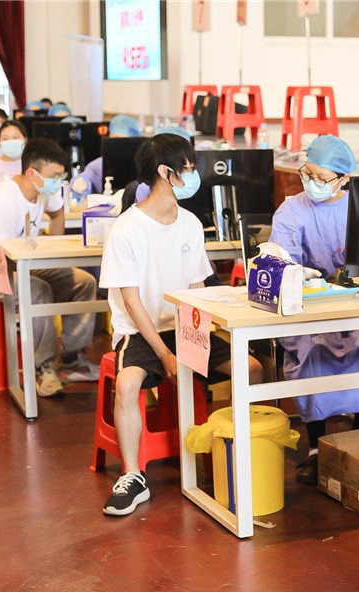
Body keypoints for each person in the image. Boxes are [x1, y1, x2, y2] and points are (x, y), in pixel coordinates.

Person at [98, 133, 264, 516]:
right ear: (165, 173)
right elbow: (131, 301)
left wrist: (198, 337)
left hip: (185, 323)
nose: (194, 176)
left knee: (252, 368)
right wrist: (166, 355)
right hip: (142, 331)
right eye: (188, 168)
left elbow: (196, 288)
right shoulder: (126, 229)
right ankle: (132, 475)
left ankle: (235, 449)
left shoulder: (189, 223)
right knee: (127, 384)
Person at [269, 134, 359, 485]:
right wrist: (304, 276)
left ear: (344, 179)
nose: (311, 182)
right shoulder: (291, 211)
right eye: (308, 173)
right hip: (311, 309)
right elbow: (282, 261)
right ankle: (317, 445)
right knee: (313, 353)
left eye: (321, 177)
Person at [0, 138, 100, 396]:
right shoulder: (3, 199)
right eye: (54, 176)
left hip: (24, 262)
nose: (58, 182)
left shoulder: (44, 191)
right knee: (37, 290)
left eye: (61, 175)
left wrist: (51, 249)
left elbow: (57, 213)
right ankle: (44, 367)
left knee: (84, 282)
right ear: (31, 173)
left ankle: (72, 358)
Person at [70, 115, 141, 199]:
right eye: (113, 139)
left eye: (122, 140)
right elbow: (87, 175)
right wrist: (81, 182)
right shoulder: (99, 165)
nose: (118, 145)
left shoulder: (143, 165)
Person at [0, 120, 28, 189]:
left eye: (15, 137)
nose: (11, 141)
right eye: (5, 139)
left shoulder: (33, 164)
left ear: (25, 139)